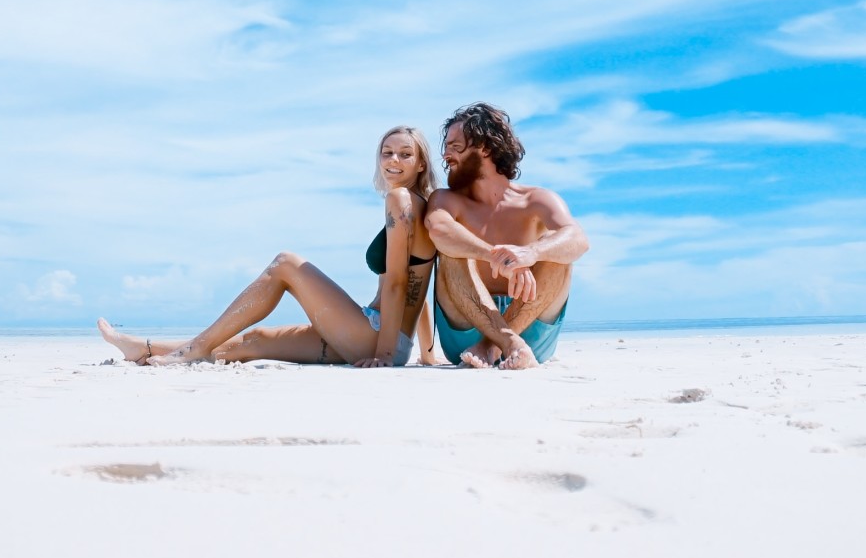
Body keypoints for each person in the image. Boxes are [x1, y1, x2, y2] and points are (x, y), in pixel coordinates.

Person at [97, 126, 445, 367]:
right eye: (387, 153)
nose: (393, 161)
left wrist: (386, 355)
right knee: (256, 341)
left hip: (374, 337)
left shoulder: (400, 200)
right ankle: (141, 347)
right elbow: (420, 283)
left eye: (404, 154)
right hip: (382, 335)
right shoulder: (420, 206)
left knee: (286, 264)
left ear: (421, 163)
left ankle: (196, 348)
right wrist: (422, 353)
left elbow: (400, 283)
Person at [426, 103, 588, 370]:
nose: (445, 155)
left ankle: (493, 345)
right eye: (446, 147)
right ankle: (506, 343)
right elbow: (439, 230)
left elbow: (578, 239)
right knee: (453, 250)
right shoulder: (445, 199)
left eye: (455, 147)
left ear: (486, 149)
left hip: (530, 325)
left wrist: (532, 252)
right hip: (466, 328)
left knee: (558, 251)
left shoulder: (537, 199)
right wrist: (499, 257)